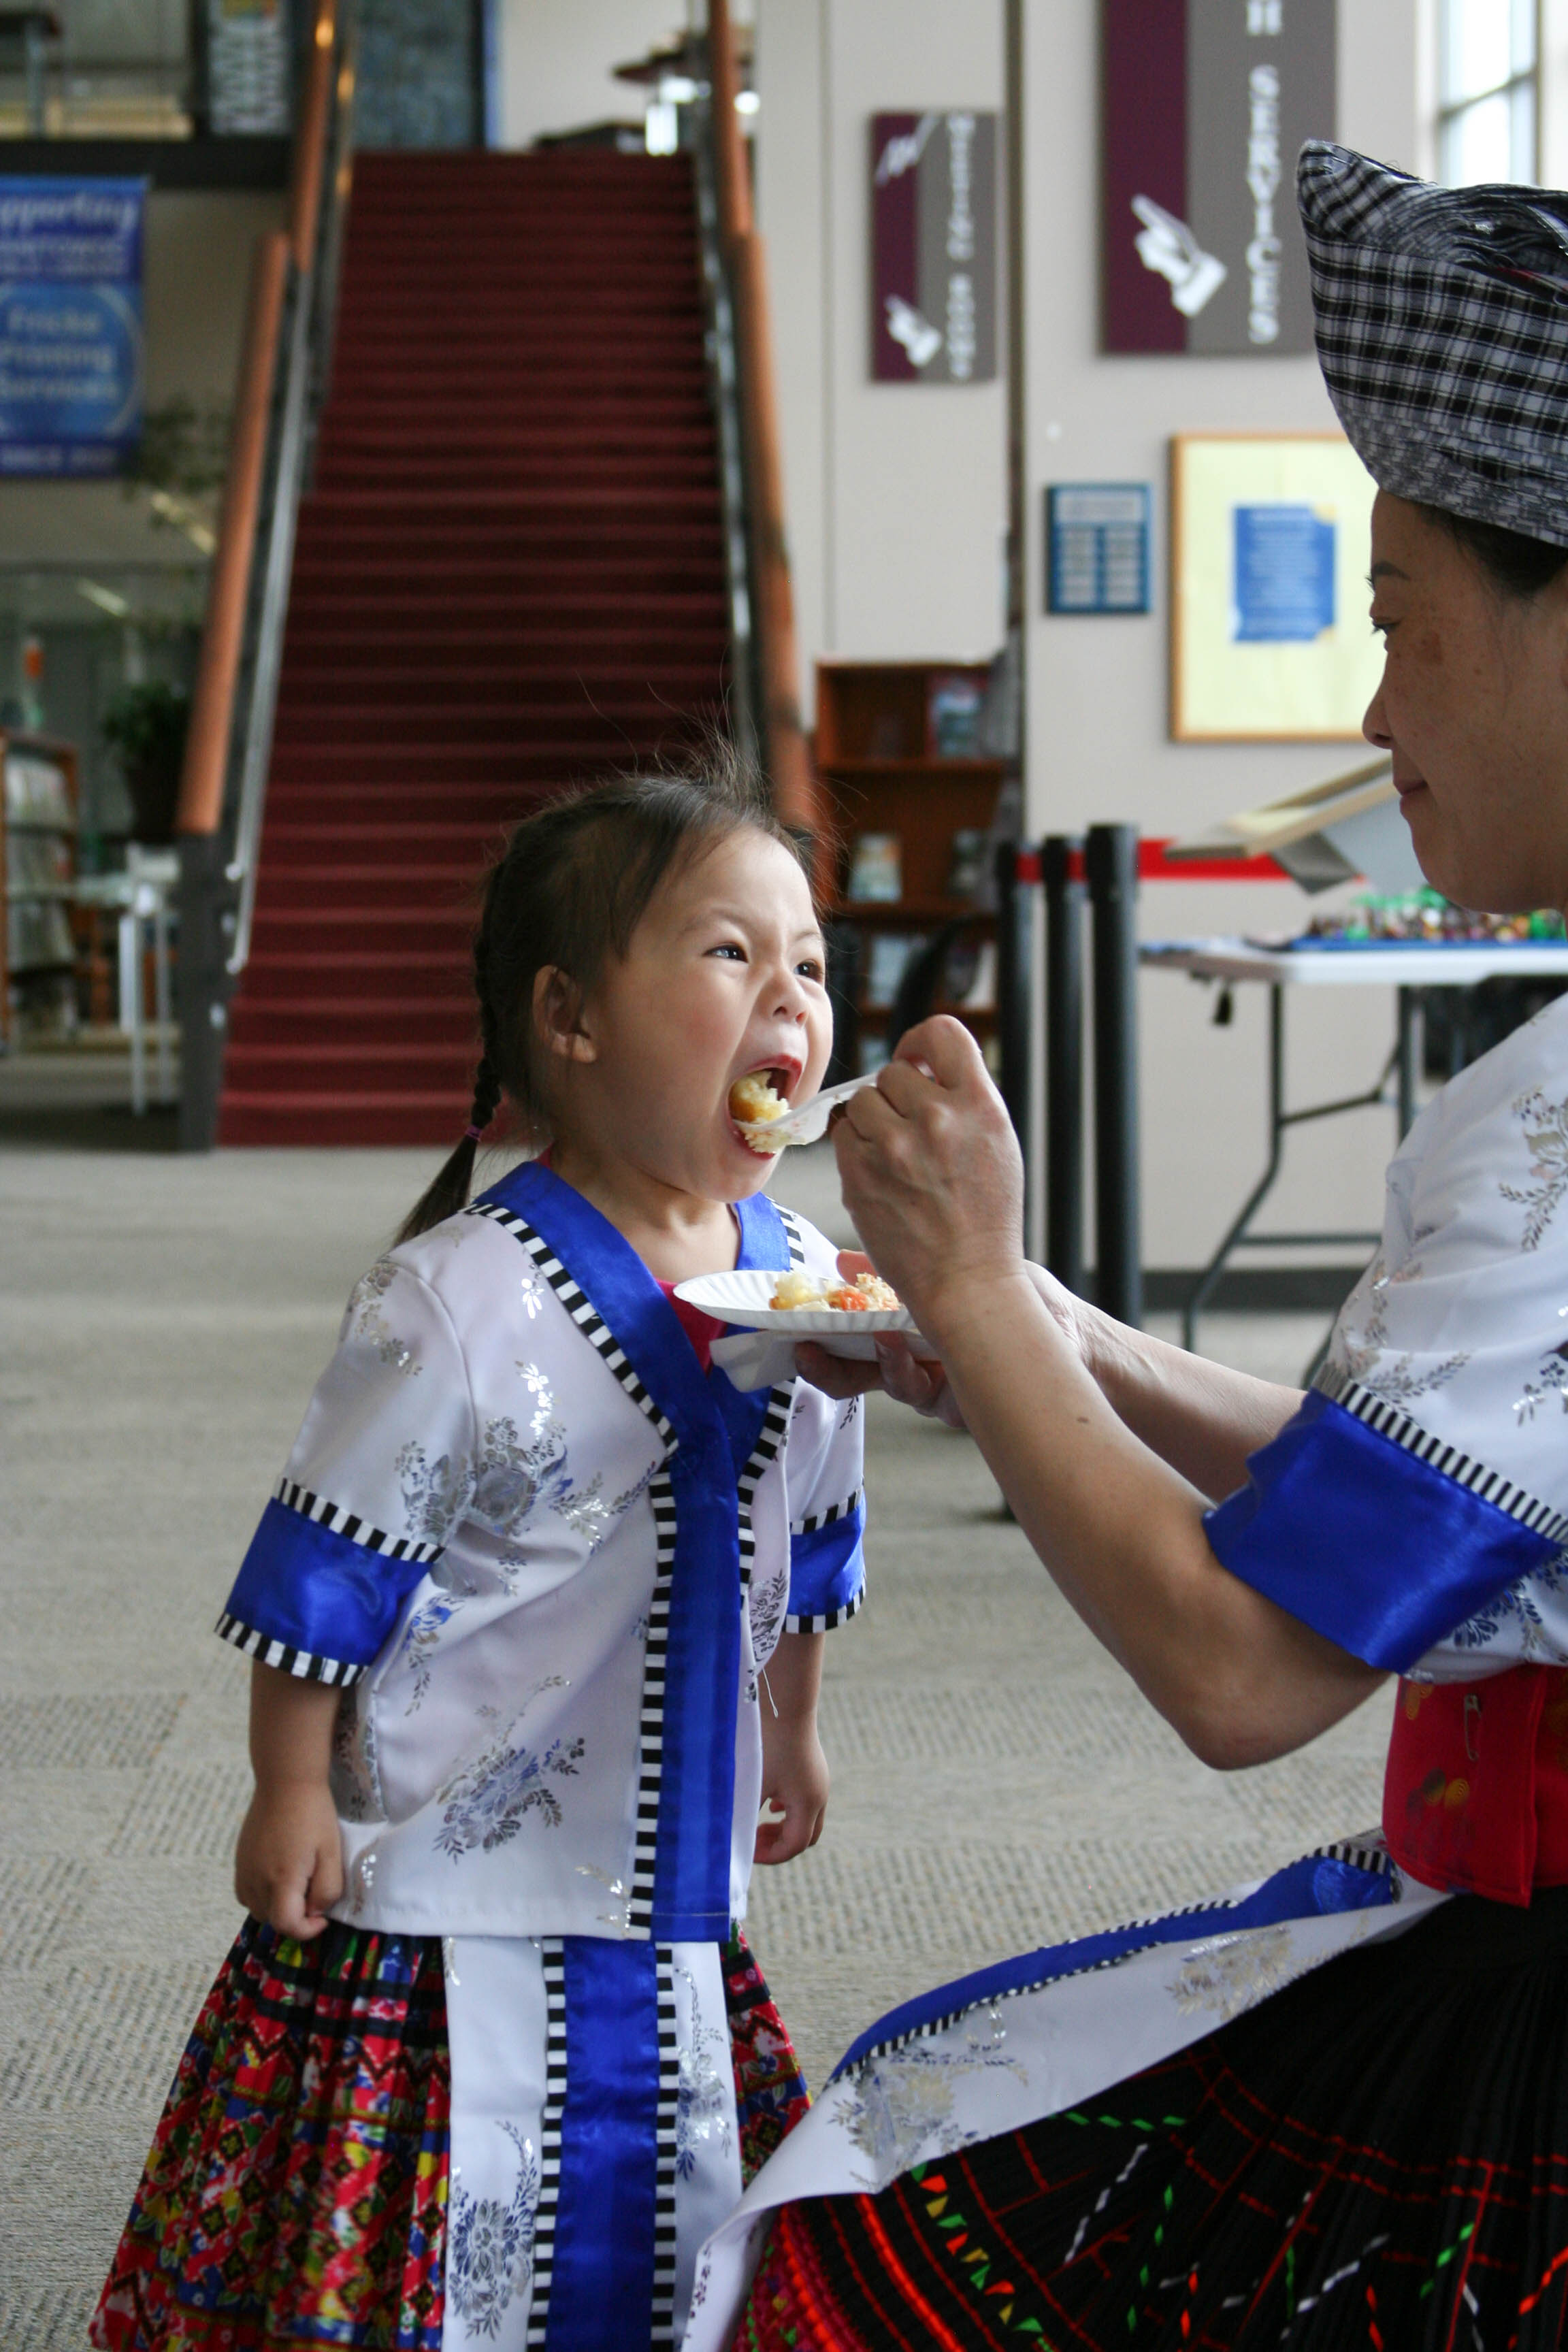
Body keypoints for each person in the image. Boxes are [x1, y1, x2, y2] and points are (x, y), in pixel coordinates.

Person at [685, 144, 1568, 2349]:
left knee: (876, 2214)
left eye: (1401, 620)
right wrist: (1039, 1334)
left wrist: (979, 1293)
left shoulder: (1542, 1125)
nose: (1374, 712)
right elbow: (1461, 1511)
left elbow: (1248, 1667)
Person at [91, 762, 869, 2352]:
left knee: (670, 2134)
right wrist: (290, 1785)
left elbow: (817, 1528)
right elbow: (333, 1561)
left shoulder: (816, 1288)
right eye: (730, 955)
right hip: (446, 1867)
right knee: (432, 2184)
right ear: (571, 1020)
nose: (789, 995)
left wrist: (796, 1722)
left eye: (809, 961)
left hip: (667, 1861)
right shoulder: (458, 1297)